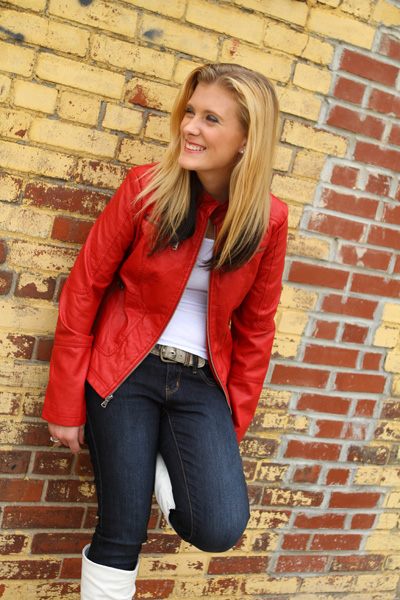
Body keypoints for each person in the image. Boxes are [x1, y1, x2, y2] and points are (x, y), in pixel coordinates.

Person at [42, 62, 288, 600]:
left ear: (248, 139)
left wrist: (229, 427)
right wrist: (65, 400)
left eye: (211, 119)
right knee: (122, 530)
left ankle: (153, 455)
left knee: (219, 526)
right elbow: (84, 287)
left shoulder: (267, 220)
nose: (190, 128)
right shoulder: (146, 188)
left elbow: (256, 329)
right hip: (123, 372)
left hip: (201, 384)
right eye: (190, 112)